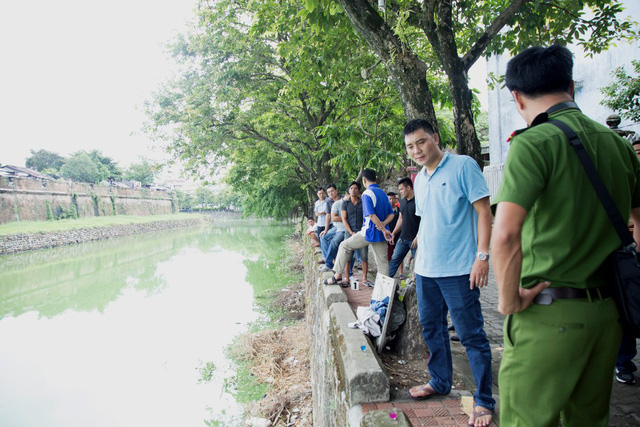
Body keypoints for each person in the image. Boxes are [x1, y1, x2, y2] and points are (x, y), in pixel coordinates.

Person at [491, 45, 640, 427]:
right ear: (570, 86)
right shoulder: (620, 146)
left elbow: (505, 234)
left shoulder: (533, 143)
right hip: (609, 314)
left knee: (525, 420)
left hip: (548, 312)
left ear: (517, 96)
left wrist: (508, 301)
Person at [403, 119, 494, 427]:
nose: (416, 150)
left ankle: (483, 400)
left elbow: (484, 212)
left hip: (459, 269)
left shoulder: (463, 166)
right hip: (426, 269)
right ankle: (440, 381)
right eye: (410, 146)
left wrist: (482, 256)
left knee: (471, 335)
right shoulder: (418, 179)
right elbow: (428, 216)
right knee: (431, 328)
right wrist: (416, 243)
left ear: (435, 139)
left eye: (421, 142)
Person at [324, 169, 394, 286]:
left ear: (364, 180)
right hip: (382, 235)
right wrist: (384, 227)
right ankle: (385, 293)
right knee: (383, 264)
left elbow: (371, 215)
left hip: (368, 232)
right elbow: (391, 214)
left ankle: (337, 276)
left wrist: (382, 228)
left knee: (344, 245)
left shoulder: (367, 193)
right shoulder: (383, 193)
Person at [388, 177, 420, 278]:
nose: (400, 192)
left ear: (409, 187)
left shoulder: (419, 201)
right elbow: (400, 219)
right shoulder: (402, 202)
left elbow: (425, 220)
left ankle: (415, 287)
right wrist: (393, 233)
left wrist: (418, 236)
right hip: (403, 238)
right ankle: (385, 283)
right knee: (394, 260)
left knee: (418, 264)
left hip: (415, 240)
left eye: (402, 189)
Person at [340, 181, 370, 285]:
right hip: (349, 232)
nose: (353, 190)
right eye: (351, 188)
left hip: (362, 232)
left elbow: (367, 216)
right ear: (348, 190)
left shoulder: (364, 202)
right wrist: (351, 232)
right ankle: (347, 278)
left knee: (364, 256)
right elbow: (344, 219)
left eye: (355, 188)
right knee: (348, 257)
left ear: (359, 191)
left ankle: (365, 278)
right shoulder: (345, 203)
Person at [319, 184, 340, 265]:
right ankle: (327, 258)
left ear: (336, 190)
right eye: (328, 192)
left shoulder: (343, 199)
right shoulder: (328, 201)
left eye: (332, 191)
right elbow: (328, 216)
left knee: (334, 242)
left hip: (345, 226)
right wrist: (325, 229)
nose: (331, 193)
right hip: (335, 226)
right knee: (323, 237)